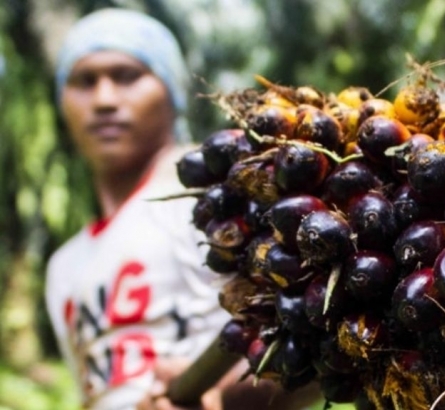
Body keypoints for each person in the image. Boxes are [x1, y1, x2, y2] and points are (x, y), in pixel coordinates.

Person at [46, 8, 319, 410]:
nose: (104, 99)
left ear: (171, 90)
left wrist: (224, 397)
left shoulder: (218, 200)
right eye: (84, 81)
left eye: (127, 75)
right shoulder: (63, 268)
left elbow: (317, 345)